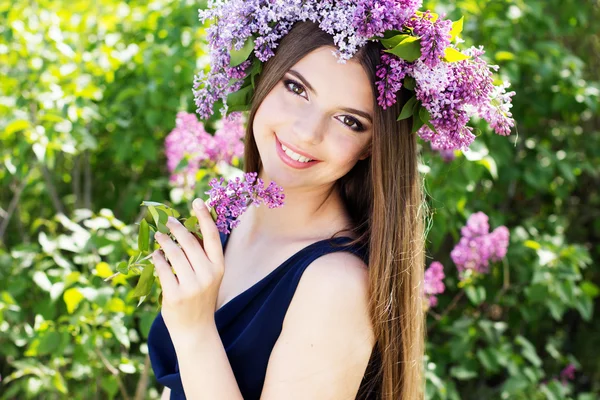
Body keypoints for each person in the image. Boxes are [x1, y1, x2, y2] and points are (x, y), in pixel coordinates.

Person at [146, 2, 515, 399]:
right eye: (296, 88)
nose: (307, 132)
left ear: (371, 147)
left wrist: (195, 332)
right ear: (264, 74)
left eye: (349, 120)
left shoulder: (335, 286)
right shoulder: (232, 217)